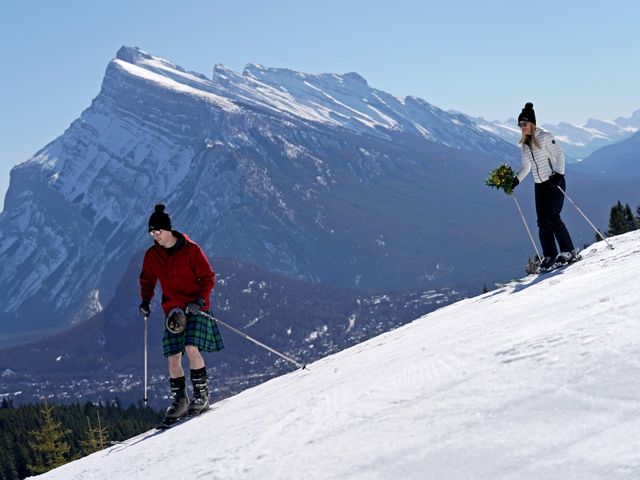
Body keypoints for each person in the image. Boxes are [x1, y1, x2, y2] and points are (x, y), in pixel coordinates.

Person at [138, 204, 224, 422]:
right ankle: (180, 401)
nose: (155, 236)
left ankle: (201, 396)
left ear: (168, 229)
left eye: (157, 231)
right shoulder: (152, 255)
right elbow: (147, 280)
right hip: (174, 312)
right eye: (151, 232)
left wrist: (200, 300)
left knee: (191, 348)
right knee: (173, 358)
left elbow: (208, 277)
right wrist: (146, 301)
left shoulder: (191, 249)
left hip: (196, 308)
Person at [511, 102, 577, 271]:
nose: (522, 127)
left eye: (524, 124)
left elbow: (559, 155)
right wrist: (515, 181)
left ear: (532, 123)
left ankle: (569, 251)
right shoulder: (524, 143)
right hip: (539, 186)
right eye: (520, 125)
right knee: (542, 222)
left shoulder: (545, 136)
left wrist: (559, 174)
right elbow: (526, 167)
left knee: (553, 217)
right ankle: (550, 255)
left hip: (555, 182)